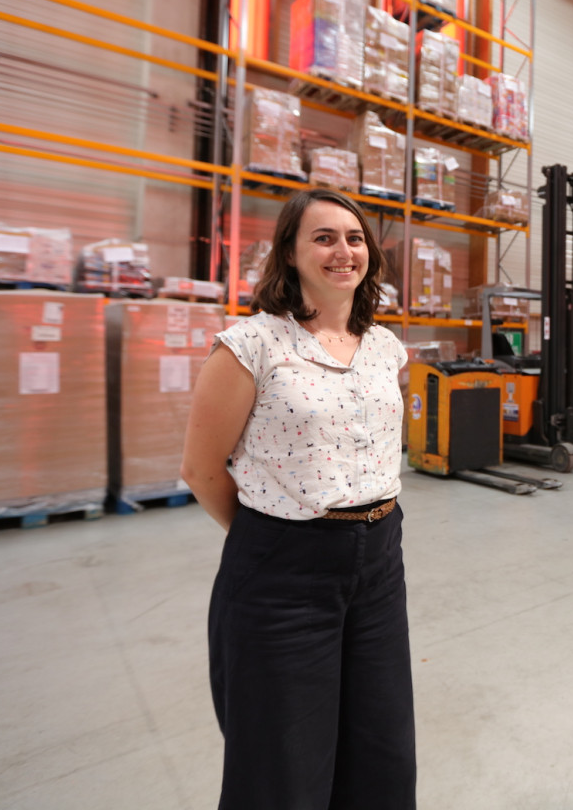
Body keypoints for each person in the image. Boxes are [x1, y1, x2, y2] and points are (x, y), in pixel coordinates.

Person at [181, 189, 415, 810]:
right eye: (324, 237)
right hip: (284, 570)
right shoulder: (251, 346)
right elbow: (202, 470)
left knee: (382, 746)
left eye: (355, 237)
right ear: (289, 251)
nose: (344, 250)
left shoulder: (387, 349)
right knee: (283, 765)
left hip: (380, 561)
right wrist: (276, 540)